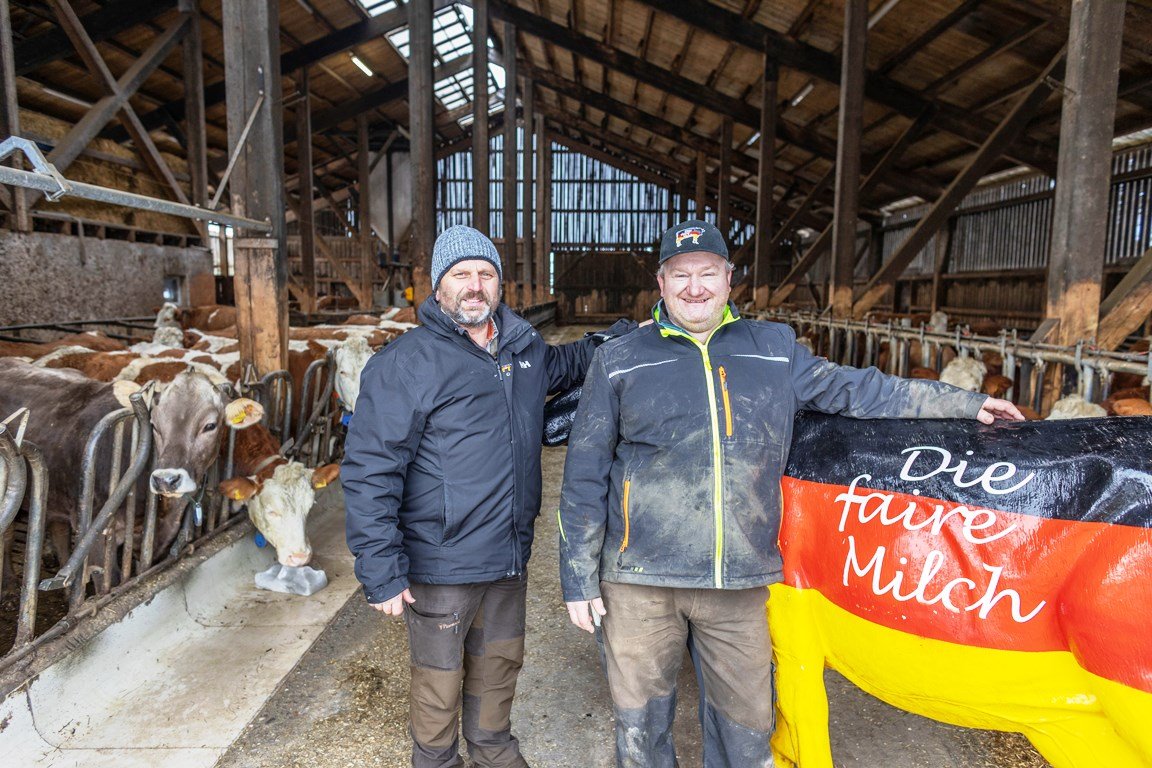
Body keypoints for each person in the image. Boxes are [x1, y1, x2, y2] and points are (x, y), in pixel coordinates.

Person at [557, 219, 1023, 768]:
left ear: (729, 280)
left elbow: (859, 389)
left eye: (707, 273)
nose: (695, 287)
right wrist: (578, 578)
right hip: (637, 580)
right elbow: (584, 473)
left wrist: (962, 404)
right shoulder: (620, 357)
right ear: (660, 284)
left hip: (739, 578)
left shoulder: (773, 349)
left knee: (747, 724)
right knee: (641, 726)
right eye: (680, 275)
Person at [343, 224, 636, 768]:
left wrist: (615, 338)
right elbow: (369, 470)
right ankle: (436, 760)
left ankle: (492, 749)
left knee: (499, 667)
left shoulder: (523, 351)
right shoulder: (406, 363)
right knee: (439, 681)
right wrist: (380, 567)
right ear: (437, 287)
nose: (474, 285)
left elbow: (568, 364)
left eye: (485, 273)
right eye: (461, 274)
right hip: (440, 561)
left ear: (500, 285)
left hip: (506, 556)